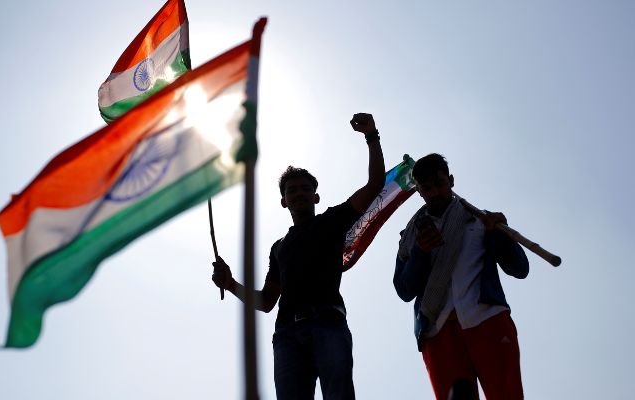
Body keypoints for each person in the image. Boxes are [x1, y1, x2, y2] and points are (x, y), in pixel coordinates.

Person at [212, 113, 385, 400]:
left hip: (328, 323)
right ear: (284, 201)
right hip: (288, 336)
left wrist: (372, 136)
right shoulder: (279, 247)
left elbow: (374, 185)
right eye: (292, 190)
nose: (300, 194)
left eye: (306, 189)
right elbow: (267, 301)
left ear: (317, 197)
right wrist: (231, 284)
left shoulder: (332, 221)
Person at [393, 153, 529, 400]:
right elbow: (404, 290)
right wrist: (421, 252)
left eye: (439, 184)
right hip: (438, 332)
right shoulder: (412, 236)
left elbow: (520, 269)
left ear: (451, 181)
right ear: (419, 192)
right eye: (427, 188)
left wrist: (501, 235)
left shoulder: (482, 219)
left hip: (488, 320)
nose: (434, 192)